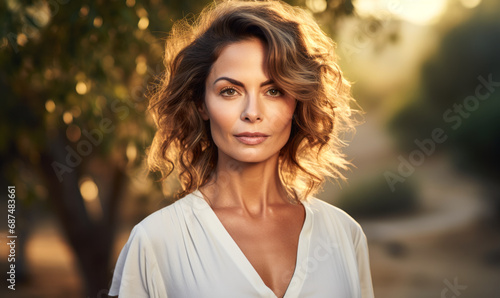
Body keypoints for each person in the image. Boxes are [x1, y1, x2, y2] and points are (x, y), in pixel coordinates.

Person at [109, 0, 374, 297]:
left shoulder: (344, 234)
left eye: (273, 91)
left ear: (296, 102)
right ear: (202, 104)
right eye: (230, 91)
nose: (252, 112)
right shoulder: (155, 242)